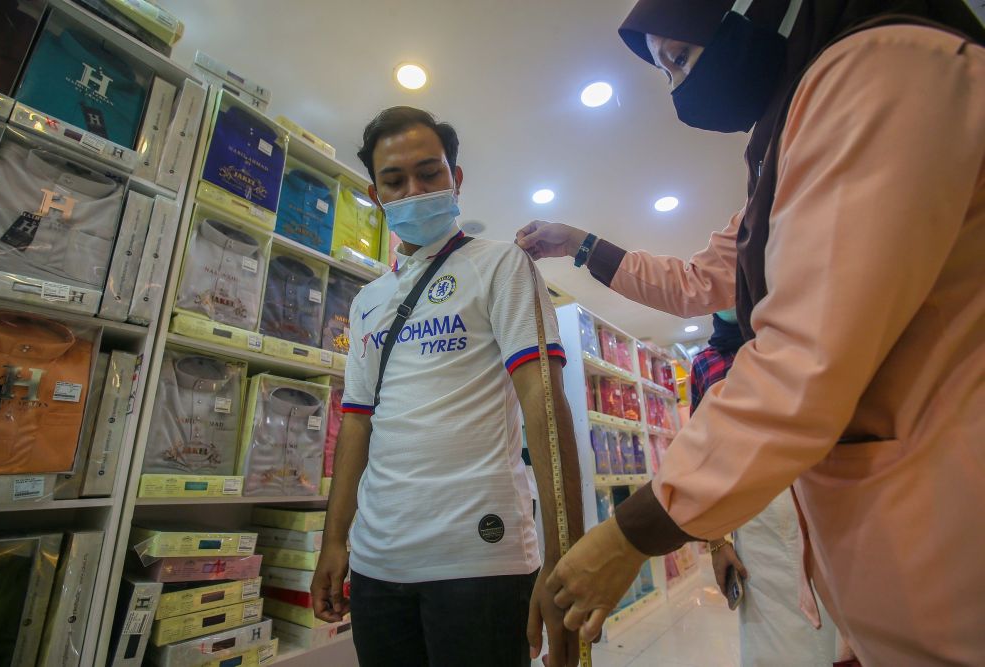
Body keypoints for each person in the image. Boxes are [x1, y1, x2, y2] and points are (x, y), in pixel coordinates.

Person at [517, 1, 985, 664]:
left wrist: (635, 528)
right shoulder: (786, 140)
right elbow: (689, 281)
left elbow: (802, 359)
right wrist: (582, 242)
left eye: (678, 58)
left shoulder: (877, 71)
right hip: (893, 569)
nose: (678, 87)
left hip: (952, 543)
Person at [310, 106, 585, 667]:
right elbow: (358, 421)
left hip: (482, 563)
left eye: (429, 172)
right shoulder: (367, 302)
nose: (414, 190)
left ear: (456, 178)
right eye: (395, 180)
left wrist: (564, 556)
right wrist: (334, 541)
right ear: (376, 193)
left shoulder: (502, 266)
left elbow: (542, 404)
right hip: (377, 564)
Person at [694, 310, 838, 667]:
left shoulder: (789, 339)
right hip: (756, 522)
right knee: (773, 645)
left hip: (825, 508)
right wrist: (716, 542)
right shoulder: (706, 364)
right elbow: (703, 456)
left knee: (840, 637)